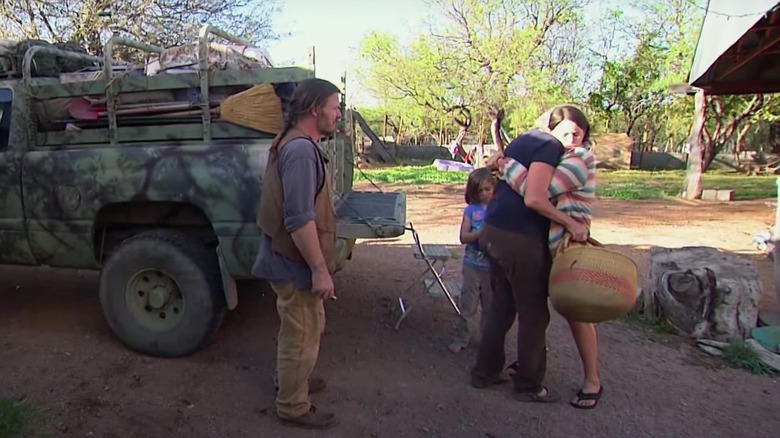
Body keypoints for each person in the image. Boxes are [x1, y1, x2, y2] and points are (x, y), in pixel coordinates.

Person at [470, 105, 590, 404]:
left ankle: (484, 372)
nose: (572, 138)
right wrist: (571, 222)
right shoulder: (550, 146)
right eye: (567, 131)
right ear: (553, 128)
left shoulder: (523, 140)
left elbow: (496, 165)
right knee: (534, 313)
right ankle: (528, 385)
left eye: (578, 132)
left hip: (493, 230)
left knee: (502, 306)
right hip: (520, 239)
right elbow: (536, 197)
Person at [253, 78, 342, 429]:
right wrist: (320, 269)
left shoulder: (294, 142)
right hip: (293, 260)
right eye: (335, 107)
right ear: (316, 109)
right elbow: (299, 219)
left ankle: (291, 380)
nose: (339, 115)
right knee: (302, 332)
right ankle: (292, 404)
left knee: (301, 327)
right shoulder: (301, 151)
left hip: (287, 257)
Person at [448, 168, 496, 354]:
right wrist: (480, 234)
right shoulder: (471, 211)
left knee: (490, 307)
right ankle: (462, 337)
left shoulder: (498, 210)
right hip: (472, 266)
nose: (484, 194)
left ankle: (487, 340)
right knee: (468, 305)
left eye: (487, 189)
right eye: (480, 191)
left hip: (492, 268)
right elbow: (463, 237)